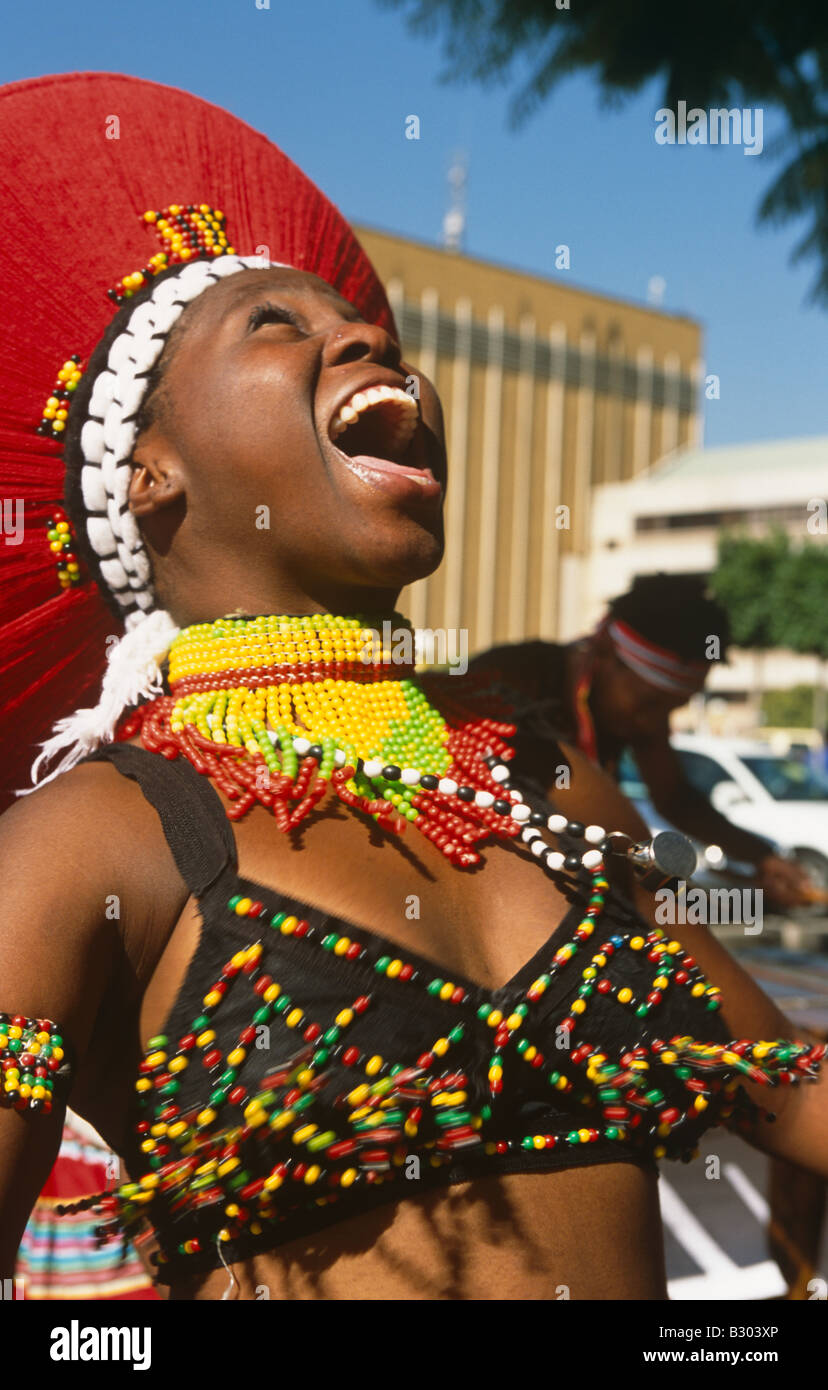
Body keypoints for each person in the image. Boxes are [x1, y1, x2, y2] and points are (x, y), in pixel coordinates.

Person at [0, 72, 826, 1304]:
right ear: (150, 475)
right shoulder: (93, 842)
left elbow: (790, 1095)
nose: (370, 338)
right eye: (274, 325)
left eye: (364, 324)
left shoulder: (552, 786)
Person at [469, 574, 812, 909]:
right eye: (649, 704)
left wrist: (762, 858)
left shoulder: (640, 716)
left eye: (671, 709)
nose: (653, 723)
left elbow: (675, 799)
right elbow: (603, 833)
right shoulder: (512, 683)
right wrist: (701, 900)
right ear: (604, 653)